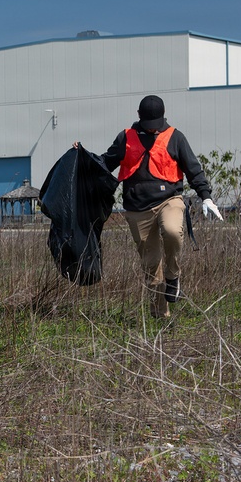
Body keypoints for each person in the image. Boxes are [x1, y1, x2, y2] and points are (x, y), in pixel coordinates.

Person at [77, 95, 223, 318]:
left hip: (169, 200)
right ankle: (159, 316)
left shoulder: (176, 137)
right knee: (151, 264)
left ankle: (173, 275)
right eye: (149, 126)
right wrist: (83, 156)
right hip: (137, 208)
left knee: (173, 231)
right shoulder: (125, 137)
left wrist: (206, 197)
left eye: (157, 126)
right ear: (139, 117)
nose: (154, 131)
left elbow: (193, 169)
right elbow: (105, 163)